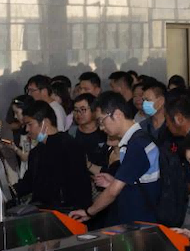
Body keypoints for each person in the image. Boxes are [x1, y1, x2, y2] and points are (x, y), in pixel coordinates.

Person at [69, 92, 161, 225]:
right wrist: (113, 181)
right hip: (134, 219)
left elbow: (113, 191)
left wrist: (89, 212)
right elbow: (134, 181)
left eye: (101, 121)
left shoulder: (138, 144)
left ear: (117, 114)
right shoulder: (133, 141)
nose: (101, 127)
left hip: (141, 223)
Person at [15, 101, 91, 210]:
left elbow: (79, 187)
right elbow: (29, 182)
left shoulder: (69, 146)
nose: (27, 129)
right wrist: (9, 191)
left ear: (45, 123)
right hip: (43, 212)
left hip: (66, 212)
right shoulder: (36, 151)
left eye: (30, 124)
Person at [72, 93, 108, 171]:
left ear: (94, 110)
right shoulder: (71, 134)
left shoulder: (105, 133)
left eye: (83, 109)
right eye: (76, 110)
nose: (78, 113)